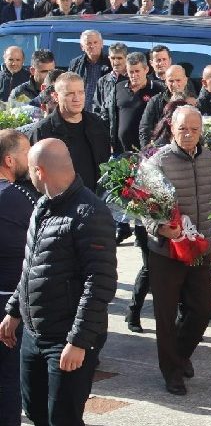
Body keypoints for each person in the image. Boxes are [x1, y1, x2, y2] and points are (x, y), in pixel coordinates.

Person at [0, 137, 117, 425]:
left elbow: (100, 283)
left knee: (62, 418)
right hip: (32, 334)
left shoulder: (90, 213)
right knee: (37, 411)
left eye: (29, 168)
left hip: (66, 340)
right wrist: (14, 311)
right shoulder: (42, 205)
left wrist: (78, 341)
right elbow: (31, 267)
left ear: (39, 171)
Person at [141, 105, 211, 395]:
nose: (189, 135)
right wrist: (159, 228)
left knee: (203, 308)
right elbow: (141, 207)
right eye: (183, 129)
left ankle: (180, 353)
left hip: (199, 247)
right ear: (172, 128)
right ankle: (171, 371)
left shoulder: (210, 160)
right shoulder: (157, 162)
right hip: (166, 251)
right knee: (166, 313)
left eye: (194, 130)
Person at [0, 130, 36, 426]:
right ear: (10, 160)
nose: (32, 157)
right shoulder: (19, 200)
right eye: (27, 152)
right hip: (8, 304)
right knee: (9, 379)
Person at [27, 72, 110, 192]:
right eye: (69, 94)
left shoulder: (97, 124)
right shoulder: (43, 131)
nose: (77, 98)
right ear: (55, 96)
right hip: (62, 204)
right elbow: (35, 175)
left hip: (97, 200)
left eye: (81, 92)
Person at [111, 52, 165, 154]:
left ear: (146, 69)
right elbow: (110, 115)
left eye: (137, 71)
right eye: (131, 72)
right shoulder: (118, 88)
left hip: (148, 150)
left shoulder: (159, 90)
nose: (134, 75)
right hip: (121, 151)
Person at [139, 65, 193, 147]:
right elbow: (145, 128)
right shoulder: (156, 101)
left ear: (185, 80)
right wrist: (147, 151)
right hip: (160, 149)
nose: (175, 84)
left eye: (178, 80)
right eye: (171, 81)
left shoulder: (193, 102)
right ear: (165, 82)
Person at [68, 30, 112, 112]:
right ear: (82, 47)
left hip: (102, 113)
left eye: (95, 42)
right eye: (89, 43)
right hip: (80, 112)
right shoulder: (75, 64)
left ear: (102, 44)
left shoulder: (110, 63)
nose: (92, 46)